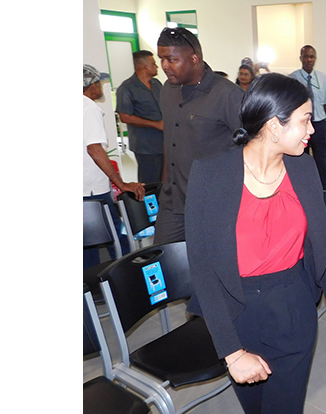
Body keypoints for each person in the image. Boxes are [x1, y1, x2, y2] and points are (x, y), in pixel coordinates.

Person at [185, 73, 326, 414]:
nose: (312, 130)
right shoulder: (210, 175)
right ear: (275, 125)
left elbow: (319, 245)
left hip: (293, 306)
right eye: (305, 120)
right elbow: (202, 269)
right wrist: (232, 352)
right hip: (237, 314)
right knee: (258, 413)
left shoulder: (303, 167)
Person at [154, 27, 243, 244]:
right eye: (161, 59)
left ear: (194, 59)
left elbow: (252, 149)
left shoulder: (228, 95)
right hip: (172, 202)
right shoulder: (167, 90)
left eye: (171, 59)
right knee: (163, 259)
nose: (164, 66)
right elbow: (170, 142)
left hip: (213, 205)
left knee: (209, 263)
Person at [83, 64, 144, 268]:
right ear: (90, 85)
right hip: (92, 191)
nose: (101, 87)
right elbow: (94, 149)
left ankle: (90, 285)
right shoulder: (88, 107)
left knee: (87, 246)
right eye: (99, 83)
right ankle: (127, 277)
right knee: (115, 238)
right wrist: (121, 183)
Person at [289, 45, 326, 190]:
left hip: (320, 125)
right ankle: (302, 189)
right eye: (306, 57)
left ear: (315, 58)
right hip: (300, 125)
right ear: (300, 58)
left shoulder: (323, 78)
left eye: (312, 57)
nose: (309, 60)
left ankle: (324, 190)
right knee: (300, 159)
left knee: (321, 161)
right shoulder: (292, 79)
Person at [115, 50, 164, 184]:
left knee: (165, 180)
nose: (157, 66)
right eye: (153, 64)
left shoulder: (157, 84)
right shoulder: (126, 88)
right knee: (150, 182)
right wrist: (156, 124)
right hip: (145, 145)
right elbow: (125, 117)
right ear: (144, 67)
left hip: (164, 142)